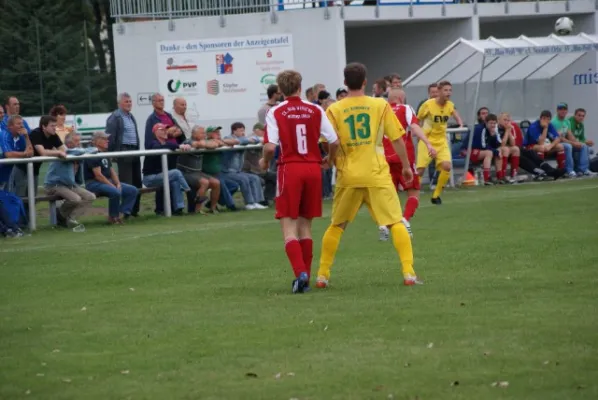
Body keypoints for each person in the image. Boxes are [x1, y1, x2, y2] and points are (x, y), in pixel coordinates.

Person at [315, 62, 421, 289]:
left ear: (345, 83)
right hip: (376, 173)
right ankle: (409, 273)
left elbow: (327, 142)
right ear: (365, 82)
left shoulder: (334, 110)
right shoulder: (380, 105)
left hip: (348, 175)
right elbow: (397, 138)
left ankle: (322, 275)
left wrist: (332, 159)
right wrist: (405, 166)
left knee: (337, 225)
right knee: (395, 222)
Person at [261, 69, 339, 294]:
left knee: (288, 227)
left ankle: (300, 274)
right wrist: (330, 160)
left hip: (290, 169)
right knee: (306, 226)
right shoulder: (315, 109)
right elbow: (333, 141)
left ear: (280, 89)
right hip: (313, 168)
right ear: (299, 86)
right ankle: (305, 274)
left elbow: (270, 146)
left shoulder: (276, 111)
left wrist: (265, 162)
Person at [378, 88, 436, 242]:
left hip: (384, 158)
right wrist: (428, 143)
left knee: (389, 194)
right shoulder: (406, 108)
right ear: (401, 98)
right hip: (404, 158)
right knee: (413, 191)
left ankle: (384, 224)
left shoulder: (381, 110)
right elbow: (415, 127)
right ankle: (405, 219)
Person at [416, 80, 463, 204]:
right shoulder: (428, 104)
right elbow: (418, 120)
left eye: (450, 90)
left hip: (441, 141)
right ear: (439, 91)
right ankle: (414, 195)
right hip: (427, 140)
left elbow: (455, 114)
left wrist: (460, 124)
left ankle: (436, 195)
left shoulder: (450, 105)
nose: (448, 93)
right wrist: (418, 135)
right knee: (420, 170)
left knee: (447, 166)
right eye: (446, 90)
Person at [461, 114, 502, 185]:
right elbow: (481, 145)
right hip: (467, 150)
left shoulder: (494, 129)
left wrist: (493, 135)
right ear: (486, 123)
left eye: (494, 123)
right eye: (491, 123)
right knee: (490, 153)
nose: (493, 125)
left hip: (479, 150)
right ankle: (486, 179)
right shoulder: (480, 129)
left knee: (500, 151)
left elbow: (498, 144)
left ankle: (500, 178)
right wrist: (496, 151)